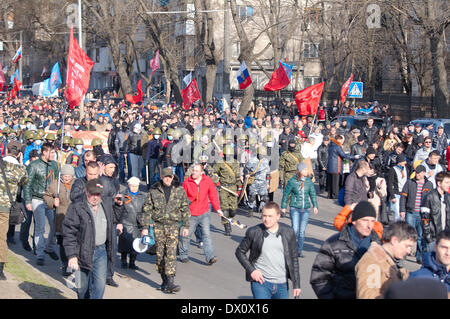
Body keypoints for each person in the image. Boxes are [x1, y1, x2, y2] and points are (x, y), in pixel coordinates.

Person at [63, 178, 123, 299]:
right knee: (82, 288)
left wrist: (118, 206)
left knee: (100, 286)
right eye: (92, 194)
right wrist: (71, 256)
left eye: (98, 194)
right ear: (86, 192)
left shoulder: (106, 204)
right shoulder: (77, 207)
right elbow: (69, 232)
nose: (95, 197)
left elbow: (114, 219)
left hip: (101, 252)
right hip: (81, 253)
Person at [310, 201, 381, 299]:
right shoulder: (334, 243)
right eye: (365, 220)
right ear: (354, 221)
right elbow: (318, 277)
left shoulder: (378, 246)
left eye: (372, 221)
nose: (369, 225)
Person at [235, 202, 301, 299]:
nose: (267, 219)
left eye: (270, 216)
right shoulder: (254, 231)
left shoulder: (288, 232)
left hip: (282, 284)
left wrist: (296, 285)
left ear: (278, 216)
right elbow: (239, 252)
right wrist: (252, 270)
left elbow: (294, 259)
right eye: (264, 216)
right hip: (261, 283)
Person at [140, 167, 190, 293]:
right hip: (158, 226)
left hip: (173, 226)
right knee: (160, 256)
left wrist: (186, 226)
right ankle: (165, 281)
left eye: (170, 176)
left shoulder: (179, 190)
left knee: (171, 254)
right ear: (161, 177)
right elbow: (146, 210)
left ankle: (171, 282)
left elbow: (185, 209)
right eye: (165, 177)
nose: (168, 179)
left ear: (173, 177)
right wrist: (145, 228)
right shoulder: (154, 191)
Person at [355, 221, 417, 299]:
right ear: (394, 240)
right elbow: (367, 296)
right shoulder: (372, 261)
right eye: (407, 246)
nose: (409, 251)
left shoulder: (396, 262)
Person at [179, 163, 224, 264]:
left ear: (201, 173)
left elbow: (213, 195)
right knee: (186, 235)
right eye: (193, 170)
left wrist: (217, 208)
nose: (193, 172)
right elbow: (181, 198)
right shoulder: (187, 182)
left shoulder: (207, 181)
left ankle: (210, 257)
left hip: (204, 213)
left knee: (206, 235)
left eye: (196, 171)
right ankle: (183, 255)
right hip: (191, 214)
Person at [23, 142, 59, 266]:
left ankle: (49, 247)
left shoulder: (54, 165)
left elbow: (56, 182)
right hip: (37, 198)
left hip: (51, 199)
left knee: (55, 225)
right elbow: (27, 184)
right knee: (40, 227)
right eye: (52, 152)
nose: (54, 155)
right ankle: (40, 254)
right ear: (44, 152)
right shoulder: (34, 165)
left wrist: (57, 197)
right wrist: (28, 201)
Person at [0, 141, 28, 280]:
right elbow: (24, 181)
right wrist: (21, 163)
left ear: (6, 150)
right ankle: (0, 269)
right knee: (1, 237)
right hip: (5, 207)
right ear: (19, 154)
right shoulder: (20, 169)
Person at [43, 164, 75, 277]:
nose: (66, 178)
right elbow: (47, 195)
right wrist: (52, 202)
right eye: (65, 176)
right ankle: (65, 264)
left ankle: (73, 263)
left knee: (73, 242)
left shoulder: (76, 184)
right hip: (61, 218)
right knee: (62, 243)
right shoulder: (55, 184)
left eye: (69, 176)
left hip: (73, 218)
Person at [281, 162, 318, 257]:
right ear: (300, 171)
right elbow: (286, 194)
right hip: (295, 208)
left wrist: (315, 206)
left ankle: (299, 251)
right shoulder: (292, 181)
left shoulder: (309, 182)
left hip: (305, 209)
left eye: (307, 169)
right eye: (305, 169)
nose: (307, 171)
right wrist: (284, 206)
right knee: (295, 229)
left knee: (302, 231)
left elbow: (312, 194)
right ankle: (291, 249)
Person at [399, 165, 433, 264]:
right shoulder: (410, 182)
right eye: (416, 172)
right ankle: (403, 255)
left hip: (422, 214)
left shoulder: (429, 184)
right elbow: (403, 197)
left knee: (420, 237)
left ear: (423, 173)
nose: (417, 174)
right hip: (410, 212)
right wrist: (402, 210)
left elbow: (431, 200)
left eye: (419, 173)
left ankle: (419, 257)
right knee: (407, 235)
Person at [118, 177, 146, 270]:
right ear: (129, 185)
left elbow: (145, 210)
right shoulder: (123, 195)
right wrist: (120, 222)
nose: (134, 188)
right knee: (125, 244)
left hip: (137, 223)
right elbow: (119, 210)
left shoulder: (142, 196)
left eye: (136, 186)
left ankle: (132, 262)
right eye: (132, 186)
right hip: (126, 222)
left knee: (136, 244)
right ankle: (123, 260)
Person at [213, 145, 241, 236]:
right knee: (225, 209)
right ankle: (227, 226)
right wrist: (217, 182)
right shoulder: (220, 163)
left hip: (233, 187)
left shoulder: (236, 163)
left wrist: (240, 186)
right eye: (227, 155)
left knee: (233, 209)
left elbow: (237, 176)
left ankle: (230, 218)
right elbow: (213, 173)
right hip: (223, 188)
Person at [420, 171, 450, 253]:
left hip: (446, 237)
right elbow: (424, 219)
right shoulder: (429, 197)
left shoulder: (448, 197)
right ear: (439, 183)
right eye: (446, 182)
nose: (449, 185)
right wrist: (428, 238)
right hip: (433, 238)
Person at [326, 135, 359, 199]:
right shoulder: (337, 146)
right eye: (340, 140)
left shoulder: (330, 145)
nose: (341, 141)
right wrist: (353, 156)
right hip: (336, 166)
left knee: (331, 181)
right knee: (335, 182)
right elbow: (343, 155)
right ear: (337, 140)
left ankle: (330, 195)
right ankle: (335, 195)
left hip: (330, 166)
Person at [387, 154, 408, 221]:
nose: (405, 163)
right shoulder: (393, 170)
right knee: (396, 214)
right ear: (399, 162)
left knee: (403, 214)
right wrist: (392, 196)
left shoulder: (406, 169)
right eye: (403, 161)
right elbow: (390, 183)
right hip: (396, 194)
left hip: (404, 194)